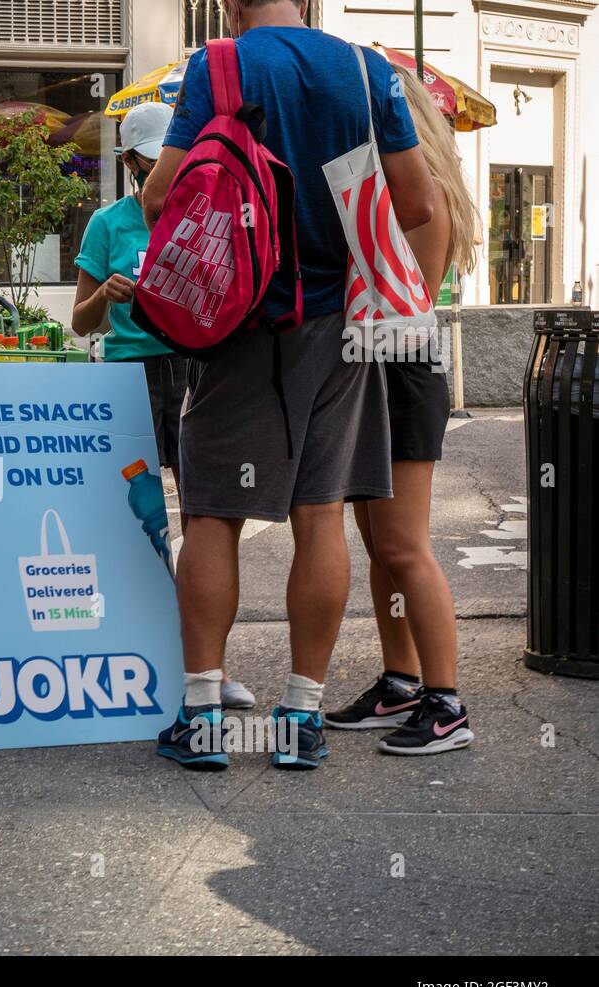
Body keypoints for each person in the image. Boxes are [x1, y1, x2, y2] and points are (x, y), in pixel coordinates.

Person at [142, 0, 437, 770]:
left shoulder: (221, 65)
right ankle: (300, 719)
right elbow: (419, 205)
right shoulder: (369, 70)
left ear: (235, 6)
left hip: (238, 324)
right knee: (320, 516)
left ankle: (204, 716)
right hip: (339, 327)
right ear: (306, 1)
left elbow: (158, 196)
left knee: (212, 513)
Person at [71, 101, 254, 711]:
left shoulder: (203, 211)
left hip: (197, 367)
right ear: (129, 163)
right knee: (135, 519)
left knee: (206, 516)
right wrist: (104, 293)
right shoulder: (108, 224)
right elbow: (78, 323)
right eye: (151, 166)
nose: (163, 178)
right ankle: (135, 657)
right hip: (129, 374)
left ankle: (209, 665)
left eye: (168, 165)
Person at [325, 64, 478, 755]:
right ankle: (401, 679)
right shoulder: (402, 187)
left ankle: (446, 703)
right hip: (377, 366)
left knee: (406, 546)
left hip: (402, 369)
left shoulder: (419, 195)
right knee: (380, 545)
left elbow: (391, 290)